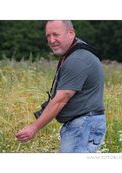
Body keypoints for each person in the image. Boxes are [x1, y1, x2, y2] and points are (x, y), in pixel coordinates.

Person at [15, 20, 106, 153]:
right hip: (83, 124)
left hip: (83, 125)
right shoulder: (75, 52)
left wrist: (34, 128)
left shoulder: (77, 59)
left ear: (70, 33)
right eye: (48, 36)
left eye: (56, 35)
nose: (51, 40)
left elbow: (61, 99)